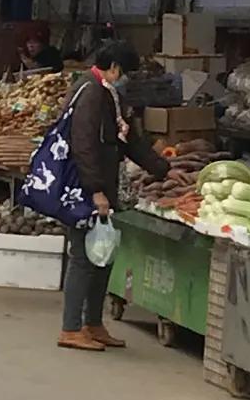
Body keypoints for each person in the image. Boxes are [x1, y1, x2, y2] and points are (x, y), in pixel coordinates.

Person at [55, 37, 168, 353]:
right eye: (127, 72)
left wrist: (162, 168)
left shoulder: (108, 95)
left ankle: (93, 323)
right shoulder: (91, 93)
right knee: (82, 257)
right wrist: (96, 192)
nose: (128, 79)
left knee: (101, 256)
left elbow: (126, 141)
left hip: (100, 186)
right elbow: (84, 146)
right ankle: (71, 327)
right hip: (84, 190)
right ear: (115, 68)